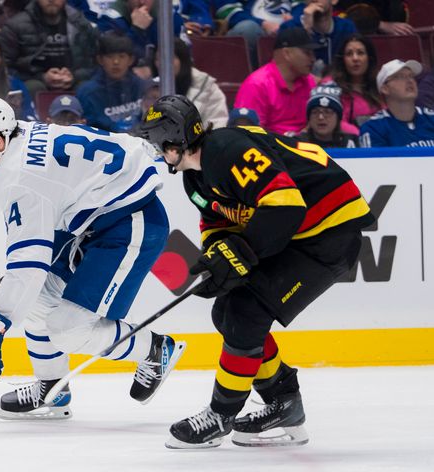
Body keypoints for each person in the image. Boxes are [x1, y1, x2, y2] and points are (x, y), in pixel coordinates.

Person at [139, 94, 375, 448]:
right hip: (298, 233)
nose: (157, 152)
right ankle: (284, 403)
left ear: (175, 140)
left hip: (329, 233)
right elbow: (219, 221)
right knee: (227, 311)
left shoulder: (226, 149)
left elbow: (285, 204)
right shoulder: (196, 178)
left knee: (244, 311)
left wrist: (239, 253)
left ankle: (221, 414)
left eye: (158, 143)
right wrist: (215, 258)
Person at [0, 95, 185, 419]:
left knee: (69, 330)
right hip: (99, 220)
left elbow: (28, 264)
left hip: (131, 224)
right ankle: (53, 387)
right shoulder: (21, 133)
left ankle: (155, 350)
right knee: (36, 301)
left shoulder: (17, 175)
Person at [0, 0, 97, 96]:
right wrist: (42, 78)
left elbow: (95, 62)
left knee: (87, 88)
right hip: (33, 83)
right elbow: (5, 67)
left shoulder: (80, 23)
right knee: (33, 87)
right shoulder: (15, 27)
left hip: (74, 82)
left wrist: (74, 76)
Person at [234, 26, 320, 136]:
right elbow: (248, 134)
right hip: (270, 149)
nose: (313, 59)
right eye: (307, 53)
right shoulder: (257, 84)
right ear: (287, 53)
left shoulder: (309, 82)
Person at [359, 59, 434, 147]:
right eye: (400, 77)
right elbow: (376, 163)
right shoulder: (374, 128)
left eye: (411, 76)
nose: (410, 80)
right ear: (385, 88)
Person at [76, 32, 145, 133]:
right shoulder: (88, 93)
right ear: (100, 60)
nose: (116, 62)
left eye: (121, 56)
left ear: (130, 60)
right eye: (110, 56)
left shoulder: (142, 86)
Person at [154, 38, 228, 128]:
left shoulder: (208, 90)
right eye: (158, 59)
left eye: (170, 58)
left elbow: (217, 126)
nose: (163, 63)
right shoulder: (150, 88)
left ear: (183, 60)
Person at [280, 0, 357, 76]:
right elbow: (285, 72)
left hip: (339, 85)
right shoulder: (288, 28)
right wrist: (306, 30)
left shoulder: (346, 27)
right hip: (303, 86)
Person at [214, 0, 297, 69]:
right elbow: (227, 11)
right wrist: (263, 24)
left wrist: (288, 25)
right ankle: (252, 82)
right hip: (253, 33)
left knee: (302, 35)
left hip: (287, 33)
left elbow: (302, 13)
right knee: (247, 28)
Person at [324, 33, 381, 133]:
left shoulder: (379, 84)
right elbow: (332, 120)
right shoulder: (330, 85)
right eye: (349, 54)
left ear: (369, 58)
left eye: (360, 53)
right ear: (343, 60)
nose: (355, 58)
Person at [94, 0, 184, 60]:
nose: (142, 1)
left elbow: (184, 60)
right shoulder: (110, 19)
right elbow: (115, 62)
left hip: (162, 79)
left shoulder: (170, 17)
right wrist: (137, 30)